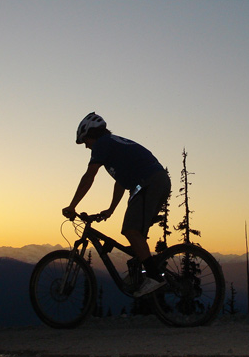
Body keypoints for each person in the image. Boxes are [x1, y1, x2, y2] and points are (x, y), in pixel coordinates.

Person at [62, 112, 171, 297]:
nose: (86, 146)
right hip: (154, 181)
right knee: (137, 236)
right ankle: (141, 273)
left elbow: (89, 176)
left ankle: (155, 277)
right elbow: (120, 182)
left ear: (91, 134)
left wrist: (72, 206)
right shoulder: (113, 145)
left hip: (148, 182)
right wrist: (110, 210)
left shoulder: (102, 144)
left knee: (130, 230)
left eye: (85, 141)